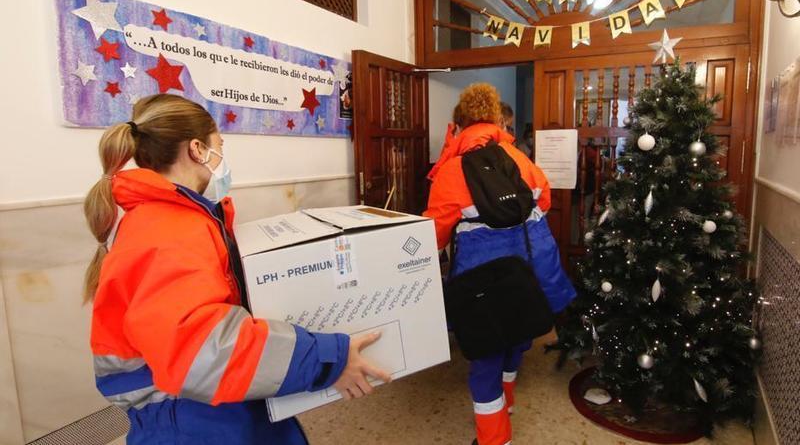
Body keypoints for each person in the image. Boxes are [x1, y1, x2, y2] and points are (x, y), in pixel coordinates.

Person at [83, 94, 390, 445]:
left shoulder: (177, 218)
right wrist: (328, 359)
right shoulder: (168, 231)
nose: (222, 157)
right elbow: (206, 348)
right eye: (220, 145)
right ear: (198, 150)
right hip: (190, 417)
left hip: (202, 405)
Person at [423, 83, 576, 445]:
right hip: (528, 273)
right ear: (497, 121)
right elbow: (544, 203)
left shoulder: (452, 171)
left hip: (483, 284)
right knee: (516, 341)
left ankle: (495, 440)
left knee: (484, 366)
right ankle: (506, 404)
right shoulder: (522, 161)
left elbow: (434, 234)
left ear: (458, 125)